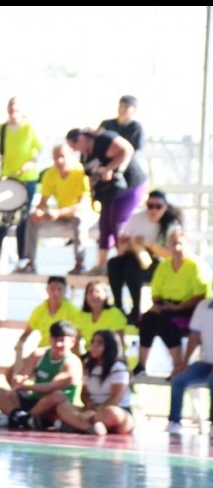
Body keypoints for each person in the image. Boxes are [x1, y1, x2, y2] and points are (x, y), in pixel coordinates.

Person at [65, 127, 148, 276]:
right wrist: (93, 194)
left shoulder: (103, 140)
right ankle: (102, 264)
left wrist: (112, 168)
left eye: (74, 145)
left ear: (82, 139)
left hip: (130, 186)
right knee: (104, 226)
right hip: (109, 192)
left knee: (117, 225)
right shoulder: (85, 157)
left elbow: (127, 150)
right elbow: (91, 177)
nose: (75, 150)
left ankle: (125, 263)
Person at [132, 229, 211, 379]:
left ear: (188, 245)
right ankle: (141, 364)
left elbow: (201, 296)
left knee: (166, 321)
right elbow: (156, 291)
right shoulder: (164, 265)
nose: (176, 248)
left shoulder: (196, 265)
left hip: (190, 308)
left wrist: (177, 308)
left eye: (180, 244)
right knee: (148, 318)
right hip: (167, 305)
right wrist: (156, 305)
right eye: (173, 244)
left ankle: (178, 366)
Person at [0, 96, 43, 274]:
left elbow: (42, 149)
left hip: (27, 179)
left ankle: (22, 259)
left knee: (22, 218)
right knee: (2, 218)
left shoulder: (29, 127)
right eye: (10, 108)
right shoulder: (1, 129)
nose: (12, 111)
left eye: (16, 108)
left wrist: (32, 162)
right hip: (7, 179)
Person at [0, 320, 83, 429]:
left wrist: (26, 386)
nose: (58, 344)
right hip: (34, 400)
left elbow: (52, 387)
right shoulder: (39, 354)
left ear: (72, 342)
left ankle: (21, 417)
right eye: (55, 339)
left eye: (62, 340)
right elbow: (23, 374)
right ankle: (20, 416)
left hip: (53, 406)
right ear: (50, 339)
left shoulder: (72, 363)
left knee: (57, 395)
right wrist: (18, 380)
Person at [16, 143, 93, 275]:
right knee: (32, 219)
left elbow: (83, 205)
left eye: (62, 156)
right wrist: (40, 212)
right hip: (62, 215)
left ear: (70, 156)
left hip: (83, 214)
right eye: (56, 157)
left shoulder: (80, 172)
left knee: (79, 218)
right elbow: (43, 202)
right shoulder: (50, 174)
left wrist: (59, 212)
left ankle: (80, 263)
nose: (59, 160)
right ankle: (30, 262)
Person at [106, 190, 182, 325]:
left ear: (165, 207)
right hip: (132, 257)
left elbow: (171, 255)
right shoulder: (136, 218)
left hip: (159, 264)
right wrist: (130, 244)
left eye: (158, 206)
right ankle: (118, 306)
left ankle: (136, 310)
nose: (153, 210)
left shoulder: (172, 225)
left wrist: (148, 244)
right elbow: (121, 245)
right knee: (114, 263)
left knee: (132, 267)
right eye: (150, 205)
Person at [54, 329, 134, 435]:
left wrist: (96, 411)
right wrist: (88, 403)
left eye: (99, 343)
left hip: (115, 411)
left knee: (111, 413)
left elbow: (116, 398)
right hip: (93, 409)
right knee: (62, 407)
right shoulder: (88, 366)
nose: (94, 346)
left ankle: (76, 424)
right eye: (93, 342)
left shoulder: (118, 367)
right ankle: (90, 427)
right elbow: (84, 393)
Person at [167, 297, 213, 435]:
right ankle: (174, 422)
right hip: (206, 363)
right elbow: (194, 335)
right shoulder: (203, 306)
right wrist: (184, 362)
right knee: (178, 378)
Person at [15, 275, 79, 356]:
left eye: (59, 289)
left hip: (64, 352)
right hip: (43, 352)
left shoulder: (73, 311)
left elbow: (77, 338)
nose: (56, 292)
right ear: (47, 290)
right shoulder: (39, 310)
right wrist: (19, 344)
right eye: (52, 289)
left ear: (65, 291)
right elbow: (27, 332)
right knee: (14, 368)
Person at [72, 280, 127, 355]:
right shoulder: (81, 315)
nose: (94, 295)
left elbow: (119, 344)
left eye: (98, 291)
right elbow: (74, 343)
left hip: (111, 355)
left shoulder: (115, 313)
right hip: (91, 357)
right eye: (90, 292)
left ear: (106, 295)